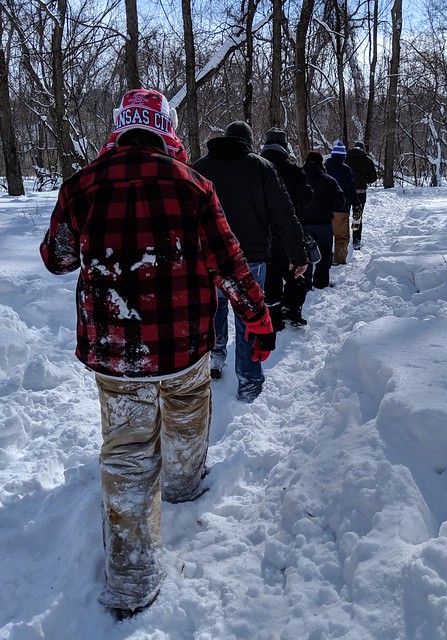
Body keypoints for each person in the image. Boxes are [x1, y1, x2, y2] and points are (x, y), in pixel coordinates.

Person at [39, 89, 275, 620]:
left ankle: (131, 581)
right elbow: (229, 263)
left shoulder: (81, 185)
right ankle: (183, 486)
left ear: (120, 128)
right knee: (187, 419)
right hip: (182, 348)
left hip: (114, 352)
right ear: (165, 128)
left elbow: (57, 258)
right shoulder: (192, 185)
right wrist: (256, 318)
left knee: (126, 454)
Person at [193, 121, 307, 401]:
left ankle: (216, 356)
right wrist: (298, 255)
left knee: (215, 310)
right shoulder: (261, 168)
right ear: (249, 142)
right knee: (249, 318)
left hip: (209, 259)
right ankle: (249, 382)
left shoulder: (199, 168)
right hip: (250, 259)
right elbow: (283, 214)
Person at [260, 127, 314, 330]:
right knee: (296, 273)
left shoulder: (256, 166)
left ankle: (273, 315)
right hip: (288, 231)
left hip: (262, 233)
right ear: (284, 145)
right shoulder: (293, 169)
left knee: (270, 275)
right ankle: (291, 309)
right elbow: (307, 198)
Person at [282, 151, 345, 323]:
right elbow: (341, 201)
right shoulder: (328, 180)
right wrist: (330, 207)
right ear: (320, 163)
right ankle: (321, 284)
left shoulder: (298, 178)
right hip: (324, 224)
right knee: (325, 254)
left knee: (306, 257)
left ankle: (306, 285)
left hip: (302, 225)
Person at [324, 140, 362, 265]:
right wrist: (356, 203)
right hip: (340, 208)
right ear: (343, 156)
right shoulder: (345, 169)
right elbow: (350, 189)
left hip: (324, 208)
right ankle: (338, 261)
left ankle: (323, 260)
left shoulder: (324, 168)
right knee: (341, 237)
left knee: (324, 236)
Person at [345, 141, 377, 249]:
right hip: (360, 193)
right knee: (357, 217)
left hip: (346, 192)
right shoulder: (367, 160)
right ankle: (356, 241)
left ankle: (343, 240)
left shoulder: (346, 158)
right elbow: (373, 178)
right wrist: (364, 180)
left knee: (344, 216)